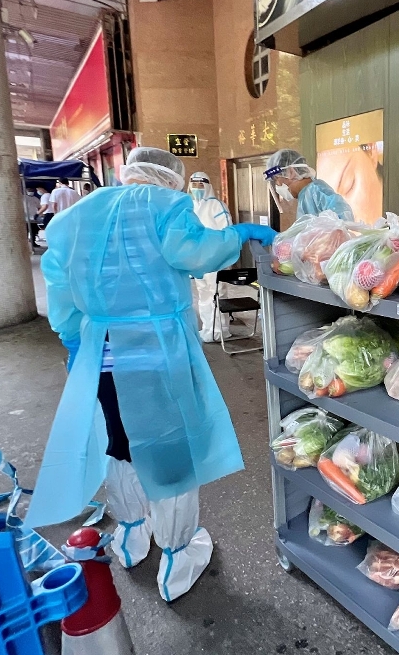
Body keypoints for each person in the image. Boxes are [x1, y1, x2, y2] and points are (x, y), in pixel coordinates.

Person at [26, 146, 276, 601]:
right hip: (157, 352)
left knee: (119, 445)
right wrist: (237, 234)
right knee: (170, 454)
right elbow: (195, 253)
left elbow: (58, 280)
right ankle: (178, 557)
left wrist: (72, 336)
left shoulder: (80, 213)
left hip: (100, 353)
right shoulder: (167, 205)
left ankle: (131, 535)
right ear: (172, 178)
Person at [188, 171, 234, 343]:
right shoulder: (190, 206)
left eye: (201, 185)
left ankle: (221, 330)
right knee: (203, 294)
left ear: (207, 186)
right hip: (198, 260)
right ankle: (208, 327)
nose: (197, 188)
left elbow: (227, 231)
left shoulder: (217, 206)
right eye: (194, 185)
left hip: (215, 259)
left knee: (217, 293)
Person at [264, 149, 353, 220]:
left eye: (276, 179)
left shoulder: (316, 191)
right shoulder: (305, 197)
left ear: (290, 172)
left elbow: (342, 216)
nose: (277, 185)